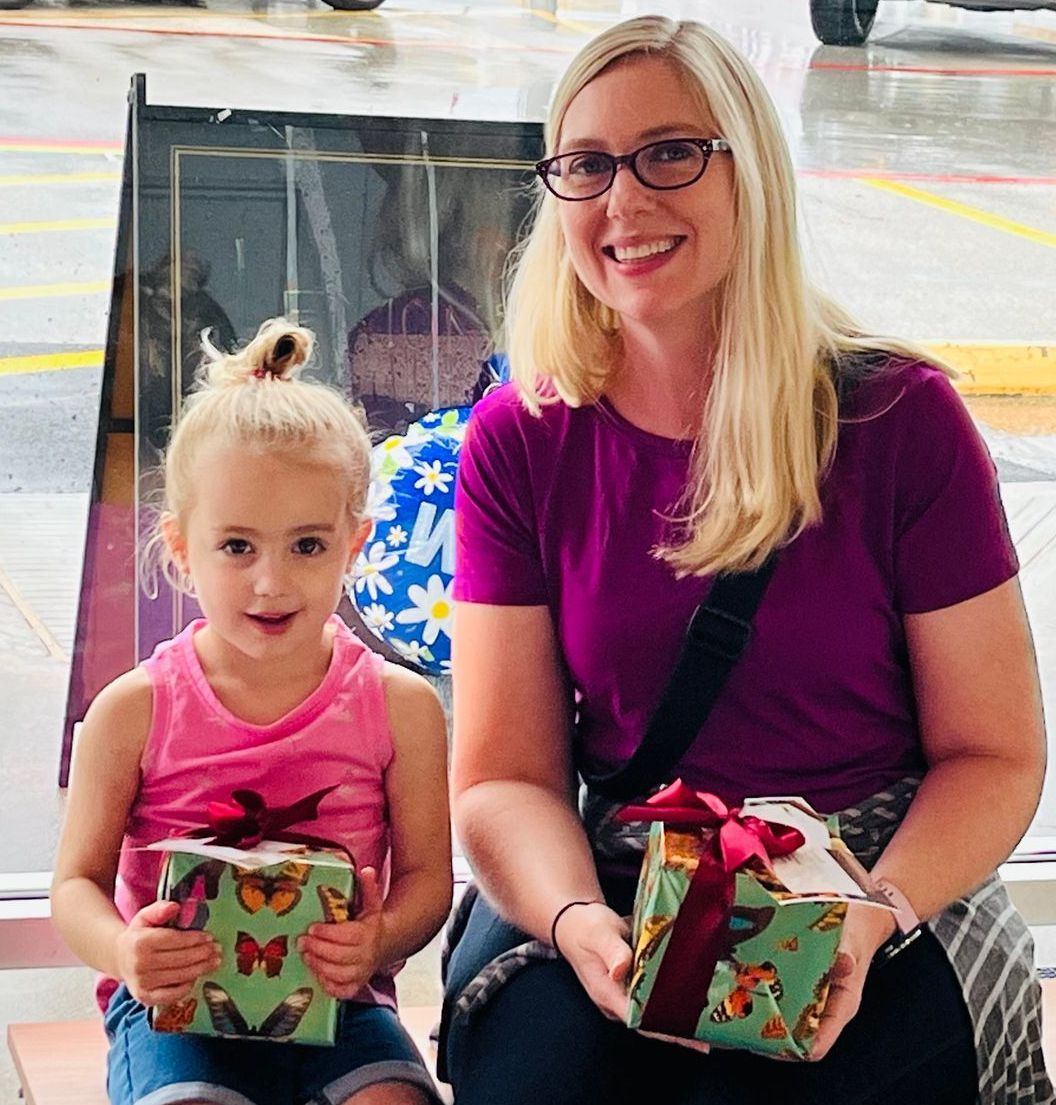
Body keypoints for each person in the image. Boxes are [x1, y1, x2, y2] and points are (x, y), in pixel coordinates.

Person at [443, 15, 1051, 1105]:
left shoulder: (899, 421)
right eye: (587, 165)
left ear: (752, 170)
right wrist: (578, 921)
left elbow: (994, 754)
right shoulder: (521, 439)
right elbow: (504, 776)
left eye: (670, 153)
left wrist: (872, 914)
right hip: (621, 868)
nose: (623, 201)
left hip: (870, 871)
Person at [51, 319, 452, 1105]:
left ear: (355, 544)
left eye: (307, 545)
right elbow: (75, 885)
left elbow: (428, 880)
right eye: (238, 546)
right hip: (173, 1011)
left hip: (342, 1006)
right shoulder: (133, 710)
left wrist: (378, 937)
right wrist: (126, 950)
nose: (271, 582)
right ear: (181, 548)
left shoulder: (400, 706)